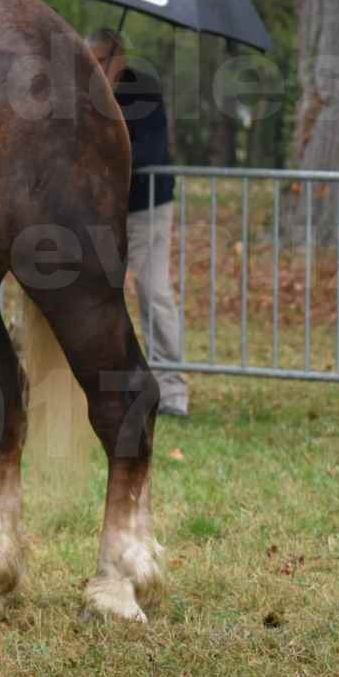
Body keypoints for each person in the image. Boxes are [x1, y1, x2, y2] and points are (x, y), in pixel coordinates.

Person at [87, 28, 188, 417]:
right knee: (86, 292)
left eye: (99, 60)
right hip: (98, 209)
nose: (93, 68)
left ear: (119, 58)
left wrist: (108, 124)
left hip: (147, 204)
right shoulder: (80, 90)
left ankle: (173, 389)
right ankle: (104, 382)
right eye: (89, 60)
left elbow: (149, 152)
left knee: (153, 289)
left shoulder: (143, 90)